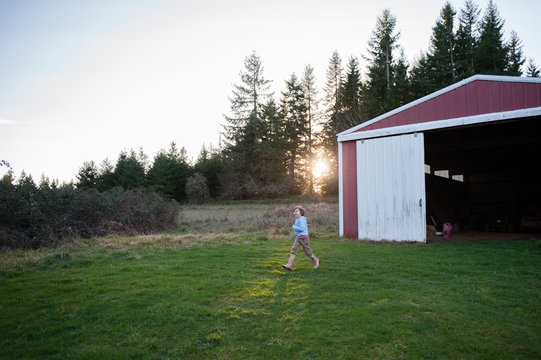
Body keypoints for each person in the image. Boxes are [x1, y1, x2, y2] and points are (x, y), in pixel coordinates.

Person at [282, 206, 320, 270]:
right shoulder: (297, 219)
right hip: (298, 238)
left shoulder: (302, 219)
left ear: (301, 213)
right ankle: (289, 265)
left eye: (296, 211)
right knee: (293, 249)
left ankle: (316, 260)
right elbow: (299, 230)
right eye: (294, 211)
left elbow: (302, 229)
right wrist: (295, 234)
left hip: (304, 238)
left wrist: (294, 227)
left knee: (307, 252)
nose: (294, 213)